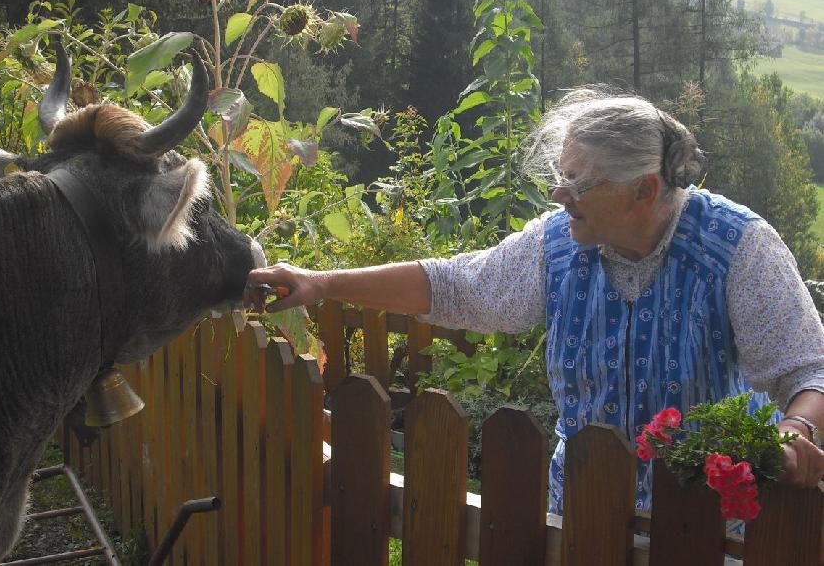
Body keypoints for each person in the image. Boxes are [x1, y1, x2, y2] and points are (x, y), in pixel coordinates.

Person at [245, 87, 824, 513]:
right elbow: (454, 285)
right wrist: (322, 282)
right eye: (559, 174)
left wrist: (795, 433)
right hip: (580, 514)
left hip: (704, 524)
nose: (557, 194)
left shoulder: (737, 247)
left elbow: (808, 367)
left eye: (578, 184)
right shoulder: (557, 246)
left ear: (644, 190)